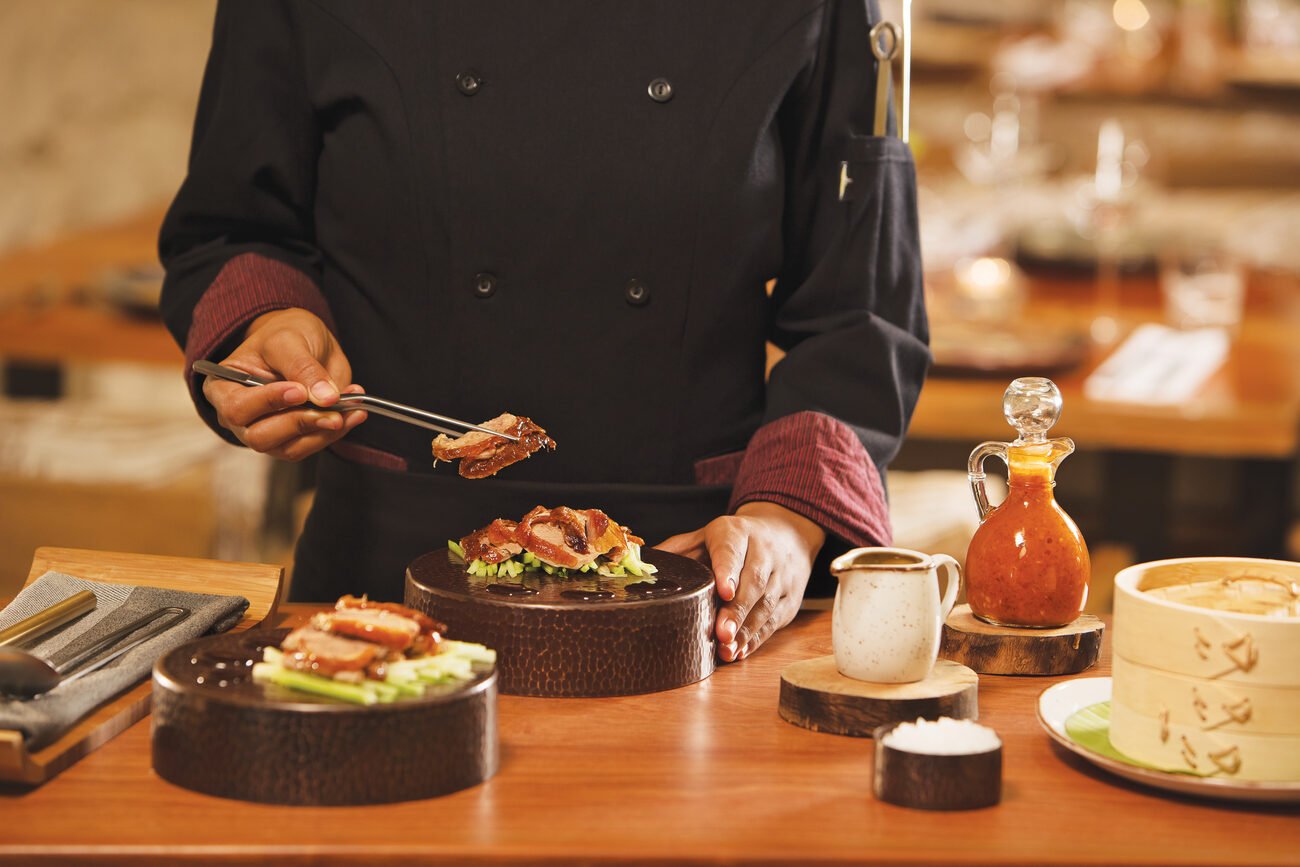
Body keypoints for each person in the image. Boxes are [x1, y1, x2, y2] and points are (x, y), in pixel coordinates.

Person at [159, 0, 929, 663]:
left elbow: (858, 312)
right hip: (387, 581)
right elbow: (233, 226)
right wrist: (265, 327)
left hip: (703, 586)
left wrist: (785, 523)